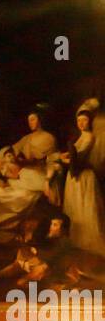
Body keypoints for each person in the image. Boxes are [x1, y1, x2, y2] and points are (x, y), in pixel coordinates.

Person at [61, 106, 105, 256]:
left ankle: (85, 242)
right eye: (79, 120)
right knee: (74, 206)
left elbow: (78, 157)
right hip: (74, 176)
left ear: (89, 122)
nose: (81, 123)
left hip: (84, 176)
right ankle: (74, 240)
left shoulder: (90, 137)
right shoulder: (79, 136)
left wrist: (68, 157)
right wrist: (65, 156)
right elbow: (69, 155)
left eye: (84, 120)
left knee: (84, 207)